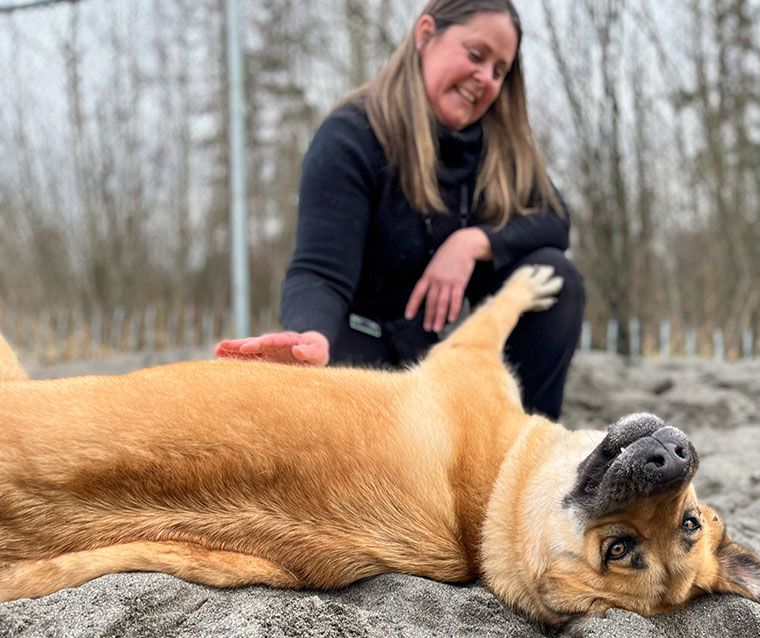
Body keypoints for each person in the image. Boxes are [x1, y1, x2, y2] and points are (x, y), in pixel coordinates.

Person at [215, 0, 584, 420]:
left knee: (556, 275)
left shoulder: (501, 147)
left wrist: (474, 242)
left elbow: (557, 220)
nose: (485, 78)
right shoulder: (352, 136)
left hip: (456, 351)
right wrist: (308, 335)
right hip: (366, 345)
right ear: (425, 34)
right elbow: (319, 272)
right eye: (476, 55)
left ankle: (526, 444)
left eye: (499, 70)